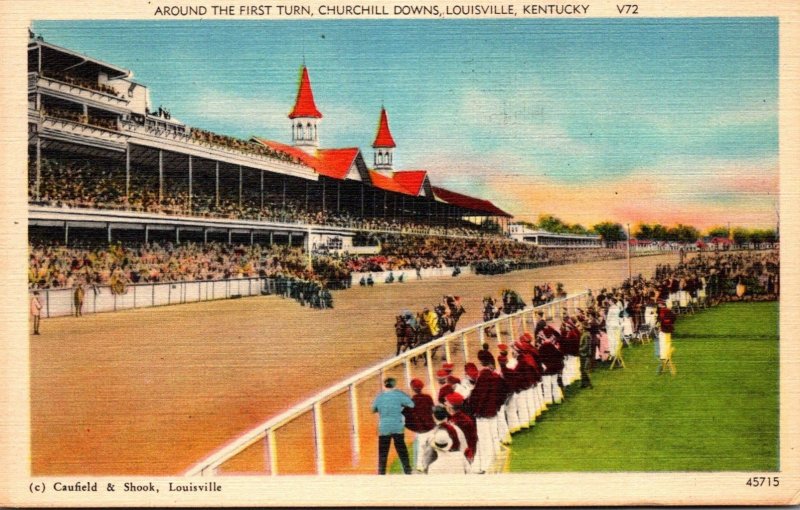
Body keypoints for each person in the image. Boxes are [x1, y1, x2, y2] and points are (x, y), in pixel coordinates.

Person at [372, 377, 414, 474]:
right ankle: (407, 471)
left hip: (384, 427)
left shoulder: (380, 396)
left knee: (383, 453)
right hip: (397, 426)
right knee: (402, 450)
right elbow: (411, 404)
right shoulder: (399, 394)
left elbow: (373, 409)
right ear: (394, 384)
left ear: (384, 385)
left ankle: (381, 473)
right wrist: (401, 406)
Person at [403, 378, 435, 472]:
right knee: (431, 447)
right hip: (431, 427)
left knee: (421, 449)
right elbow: (432, 410)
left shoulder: (411, 401)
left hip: (420, 429)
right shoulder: (428, 397)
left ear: (413, 388)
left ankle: (421, 467)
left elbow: (406, 415)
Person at [578, 320, 594, 389]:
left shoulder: (586, 335)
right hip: (583, 354)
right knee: (582, 369)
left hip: (586, 354)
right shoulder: (584, 334)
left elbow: (586, 346)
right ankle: (583, 383)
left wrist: (579, 349)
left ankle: (589, 384)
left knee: (585, 369)